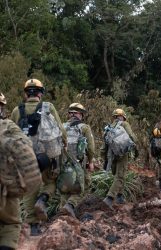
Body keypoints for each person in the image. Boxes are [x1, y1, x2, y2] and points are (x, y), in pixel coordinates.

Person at [10, 79, 67, 236]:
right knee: (50, 182)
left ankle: (34, 227)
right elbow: (61, 130)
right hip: (46, 157)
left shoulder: (17, 110)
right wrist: (64, 145)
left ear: (26, 93)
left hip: (25, 158)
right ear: (41, 93)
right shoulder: (49, 107)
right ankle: (43, 198)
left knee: (29, 190)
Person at [0, 92, 41, 250]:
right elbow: (25, 147)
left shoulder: (19, 111)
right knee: (10, 224)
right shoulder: (7, 126)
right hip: (5, 191)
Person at [59, 103, 95, 218]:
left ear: (70, 114)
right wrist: (90, 161)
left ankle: (62, 216)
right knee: (85, 185)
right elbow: (91, 148)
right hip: (78, 163)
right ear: (80, 114)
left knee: (64, 188)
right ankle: (70, 206)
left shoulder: (61, 126)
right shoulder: (84, 127)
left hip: (62, 163)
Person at [102, 109, 137, 209]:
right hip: (122, 154)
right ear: (123, 116)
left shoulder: (109, 127)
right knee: (120, 176)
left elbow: (104, 144)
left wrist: (105, 158)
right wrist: (134, 144)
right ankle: (109, 198)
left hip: (111, 154)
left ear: (114, 117)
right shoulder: (124, 124)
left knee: (118, 175)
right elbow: (131, 136)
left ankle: (120, 196)